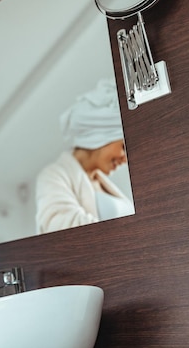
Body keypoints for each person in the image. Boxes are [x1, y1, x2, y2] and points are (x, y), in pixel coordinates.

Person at [35, 78, 134, 234]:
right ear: (101, 136)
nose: (125, 159)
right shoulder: (53, 175)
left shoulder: (102, 181)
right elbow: (61, 229)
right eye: (123, 146)